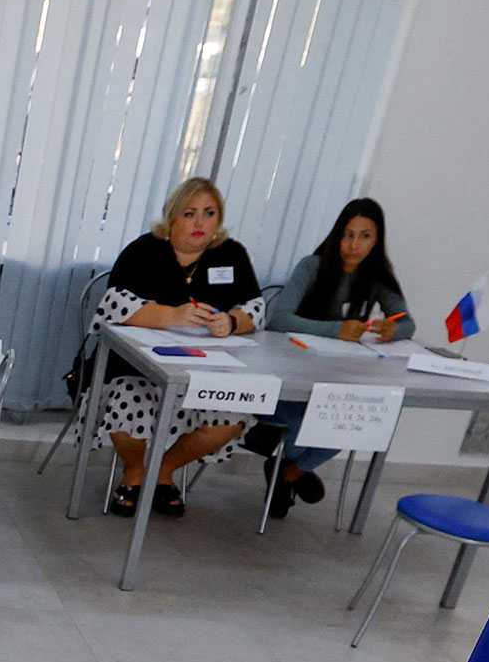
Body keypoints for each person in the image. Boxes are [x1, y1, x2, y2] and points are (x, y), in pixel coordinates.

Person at [87, 176, 266, 519]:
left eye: (209, 213)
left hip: (207, 372)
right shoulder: (145, 250)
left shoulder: (231, 254)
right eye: (189, 213)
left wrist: (231, 322)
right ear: (172, 217)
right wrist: (171, 315)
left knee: (231, 418)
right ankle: (135, 473)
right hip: (135, 369)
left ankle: (161, 471)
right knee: (127, 403)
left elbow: (256, 308)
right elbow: (112, 306)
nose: (200, 223)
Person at [259, 197, 414, 516]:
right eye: (348, 234)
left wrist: (391, 330)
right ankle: (290, 472)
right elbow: (279, 319)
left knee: (350, 421)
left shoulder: (376, 276)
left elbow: (406, 322)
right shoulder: (312, 266)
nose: (354, 245)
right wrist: (335, 330)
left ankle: (287, 473)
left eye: (365, 236)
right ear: (336, 235)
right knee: (313, 422)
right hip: (288, 379)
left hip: (335, 378)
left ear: (377, 240)